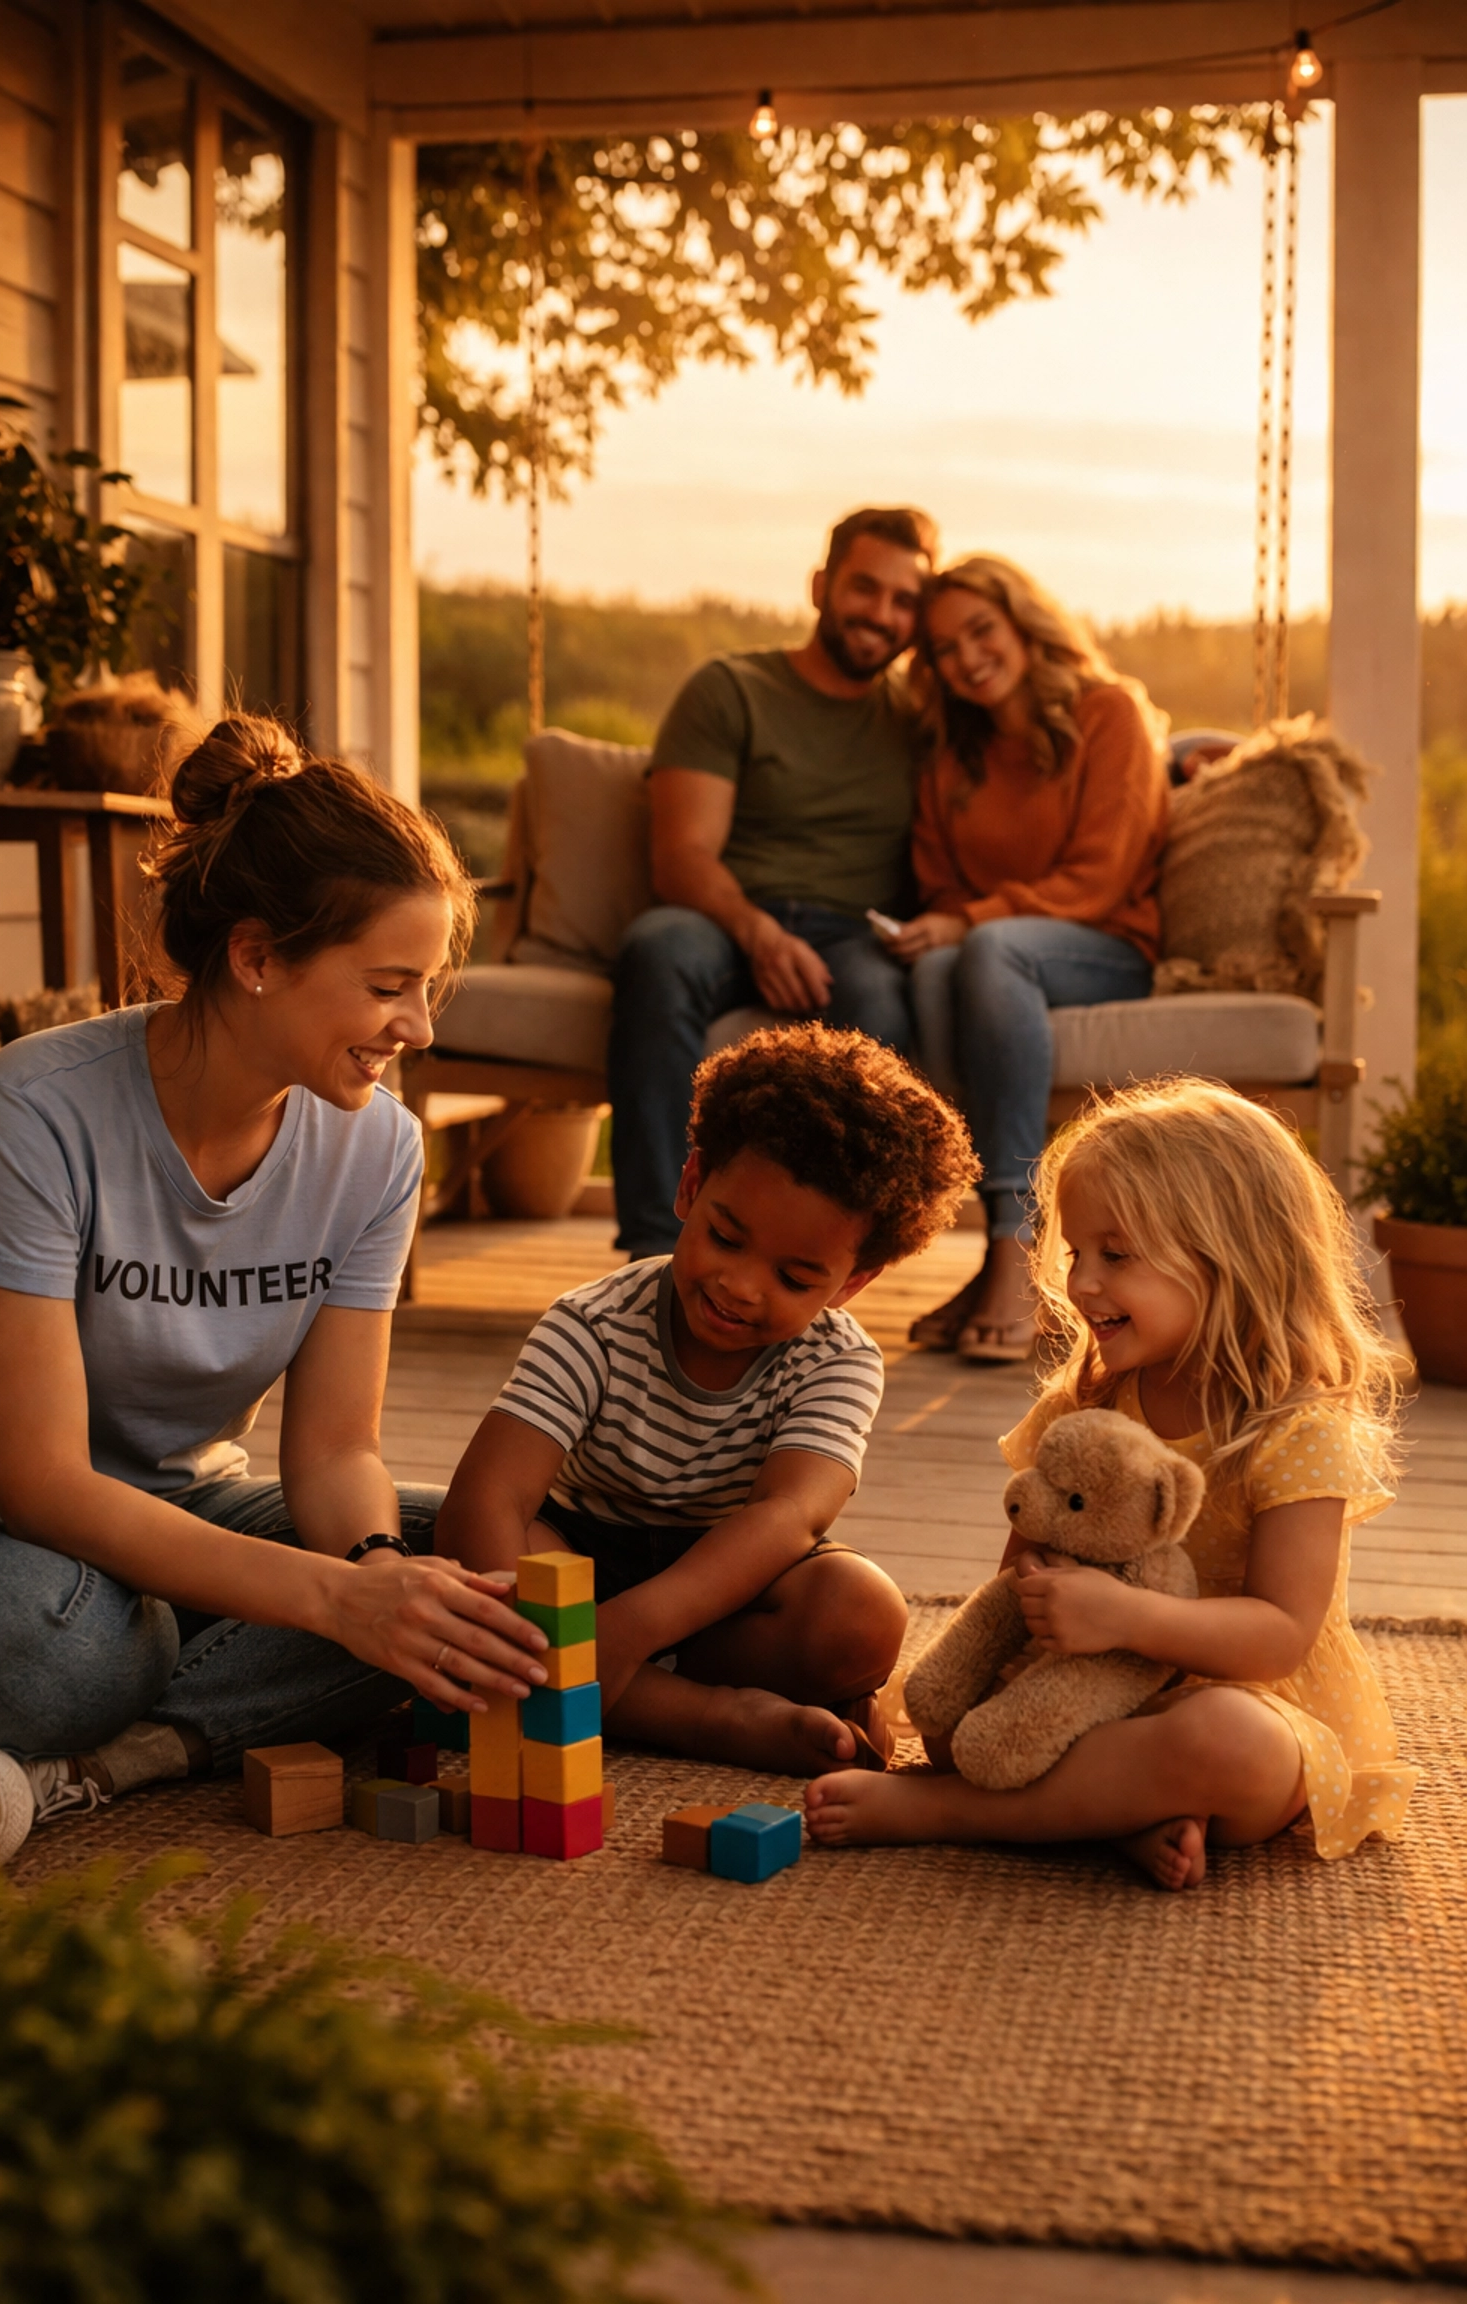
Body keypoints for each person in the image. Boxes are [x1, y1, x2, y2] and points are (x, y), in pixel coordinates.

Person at [0, 716, 550, 1879]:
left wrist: (370, 1571)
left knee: (481, 1565)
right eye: (388, 987)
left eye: (427, 989)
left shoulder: (377, 1153)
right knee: (58, 1651)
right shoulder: (29, 1118)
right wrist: (330, 1607)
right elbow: (44, 1486)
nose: (418, 1028)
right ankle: (163, 1692)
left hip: (189, 1516)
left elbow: (333, 1453)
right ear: (258, 956)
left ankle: (105, 1762)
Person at [805, 1079, 1418, 1888]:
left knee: (1230, 1744)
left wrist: (1127, 1618)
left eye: (1116, 1255)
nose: (1081, 1283)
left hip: (1241, 1705)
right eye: (1075, 1255)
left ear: (1228, 1254)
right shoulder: (1090, 1401)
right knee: (960, 1718)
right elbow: (1014, 1576)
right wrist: (1027, 1624)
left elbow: (1279, 1634)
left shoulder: (1296, 1429)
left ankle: (952, 1812)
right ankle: (1113, 1814)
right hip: (1089, 1697)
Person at [437, 1024, 976, 1776]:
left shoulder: (838, 1359)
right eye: (726, 1238)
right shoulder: (593, 1324)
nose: (741, 1286)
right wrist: (546, 1634)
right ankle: (706, 1716)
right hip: (581, 1559)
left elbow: (789, 1516)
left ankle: (598, 1684)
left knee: (862, 1615)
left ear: (851, 1284)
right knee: (482, 1552)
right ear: (692, 1185)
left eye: (794, 1280)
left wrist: (629, 1630)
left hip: (727, 1590)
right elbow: (489, 1495)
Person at [608, 505, 938, 1259]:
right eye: (865, 588)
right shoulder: (731, 689)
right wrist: (759, 933)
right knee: (656, 950)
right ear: (821, 586)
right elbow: (681, 856)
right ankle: (657, 1249)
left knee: (880, 999)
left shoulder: (921, 722)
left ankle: (824, 1254)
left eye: (903, 601)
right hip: (726, 917)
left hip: (854, 932)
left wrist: (1178, 756)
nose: (881, 614)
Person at [884, 555, 1170, 1362]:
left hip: (1108, 940)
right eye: (945, 647)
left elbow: (1103, 874)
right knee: (939, 966)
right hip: (994, 950)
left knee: (983, 948)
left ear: (1022, 625)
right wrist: (944, 926)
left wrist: (975, 918)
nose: (969, 656)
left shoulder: (1107, 712)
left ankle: (1019, 1250)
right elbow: (940, 885)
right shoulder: (954, 756)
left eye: (983, 630)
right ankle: (996, 1258)